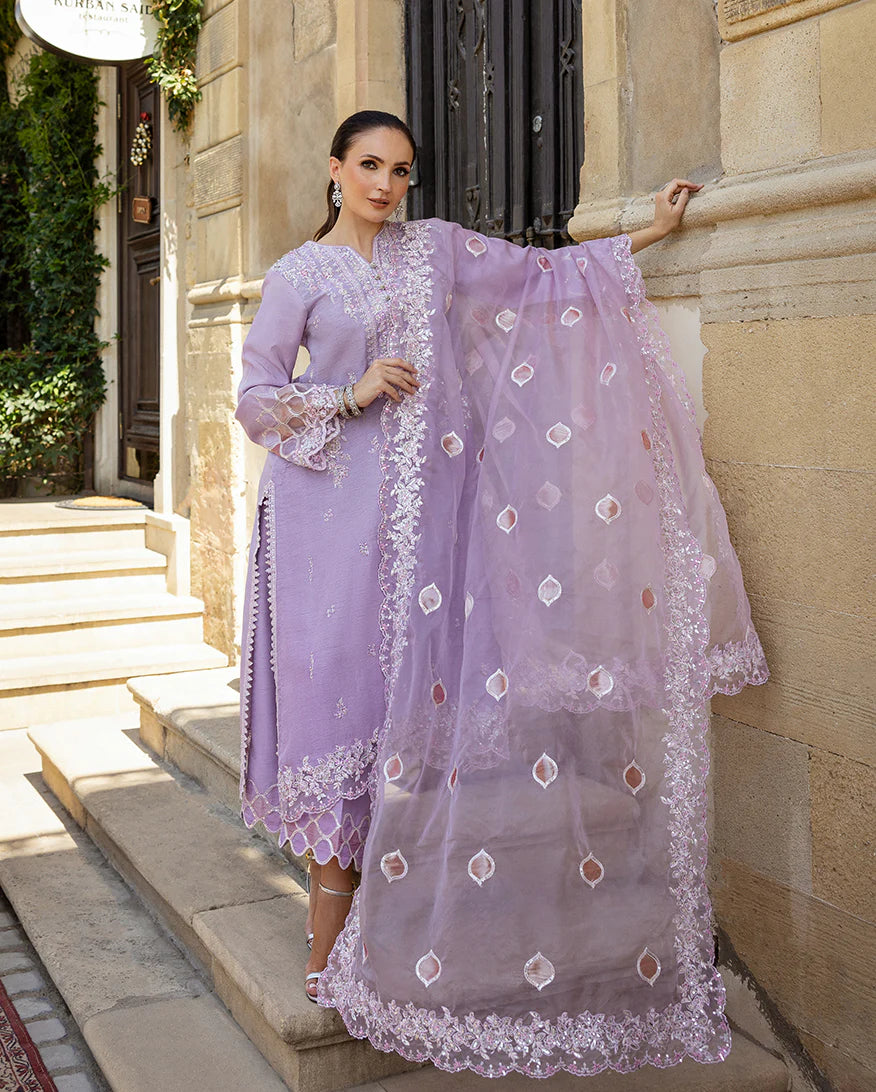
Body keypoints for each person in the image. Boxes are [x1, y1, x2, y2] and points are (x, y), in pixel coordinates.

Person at [235, 109, 769, 1077]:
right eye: (369, 166)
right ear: (335, 169)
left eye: (401, 170)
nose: (386, 185)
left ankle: (393, 929)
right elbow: (256, 397)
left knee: (402, 718)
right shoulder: (297, 276)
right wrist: (350, 393)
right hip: (325, 526)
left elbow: (542, 279)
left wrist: (651, 230)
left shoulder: (435, 252)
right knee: (335, 715)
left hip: (425, 536)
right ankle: (327, 944)